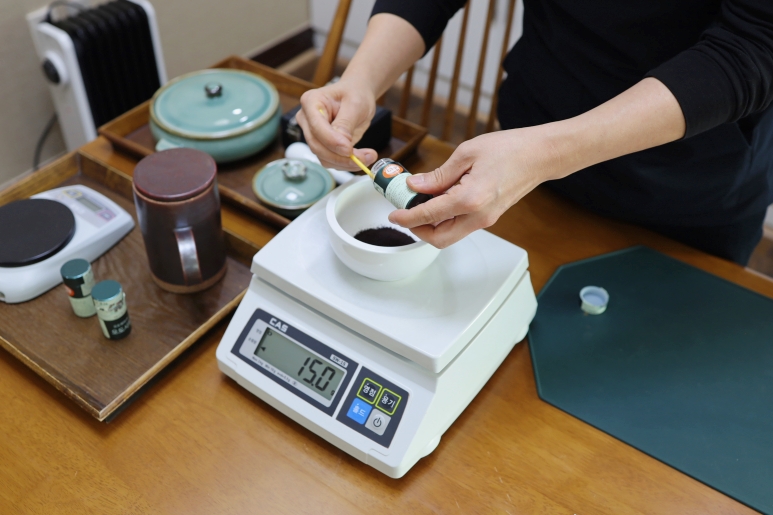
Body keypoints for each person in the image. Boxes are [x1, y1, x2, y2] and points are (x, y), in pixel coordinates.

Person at [296, 0, 773, 264]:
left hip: (687, 195)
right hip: (523, 175)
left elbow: (754, 45)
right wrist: (361, 79)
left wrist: (546, 153)